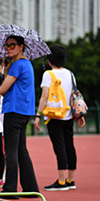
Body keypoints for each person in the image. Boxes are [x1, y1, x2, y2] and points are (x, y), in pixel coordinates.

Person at [34, 44, 85, 191]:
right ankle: (70, 179)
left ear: (50, 59)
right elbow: (74, 94)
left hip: (53, 116)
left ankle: (61, 181)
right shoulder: (70, 74)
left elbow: (44, 97)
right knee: (70, 146)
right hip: (69, 116)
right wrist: (79, 114)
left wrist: (38, 115)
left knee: (59, 147)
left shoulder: (48, 74)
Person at [0, 35, 39, 199]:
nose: (8, 48)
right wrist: (7, 70)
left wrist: (5, 71)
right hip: (24, 111)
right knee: (21, 150)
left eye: (12, 45)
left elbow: (2, 90)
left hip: (14, 111)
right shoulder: (27, 64)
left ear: (21, 46)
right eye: (6, 46)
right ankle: (30, 188)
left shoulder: (17, 65)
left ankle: (10, 189)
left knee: (11, 150)